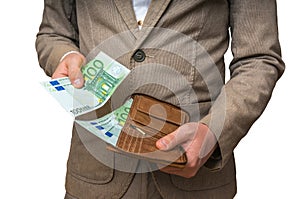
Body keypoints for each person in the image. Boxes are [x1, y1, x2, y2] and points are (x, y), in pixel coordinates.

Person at [36, 0, 285, 198]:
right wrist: (64, 56)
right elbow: (53, 32)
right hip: (94, 176)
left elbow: (259, 59)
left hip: (196, 181)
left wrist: (214, 131)